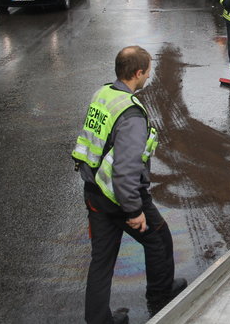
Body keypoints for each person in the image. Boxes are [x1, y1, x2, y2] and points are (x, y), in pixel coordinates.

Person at [72, 46, 187, 323]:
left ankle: (98, 320)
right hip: (121, 195)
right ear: (138, 73)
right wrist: (134, 210)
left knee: (102, 260)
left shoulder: (102, 94)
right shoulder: (132, 115)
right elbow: (125, 169)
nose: (149, 76)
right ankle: (160, 297)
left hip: (94, 190)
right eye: (147, 72)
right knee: (158, 237)